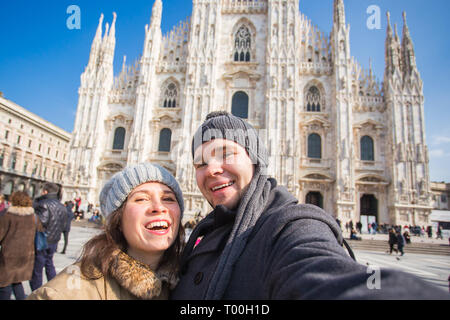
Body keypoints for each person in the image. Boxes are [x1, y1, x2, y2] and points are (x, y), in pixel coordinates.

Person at [171, 111, 446, 300]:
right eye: (200, 163)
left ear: (255, 161)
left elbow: (318, 269)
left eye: (225, 154)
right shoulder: (204, 231)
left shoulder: (290, 225)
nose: (212, 170)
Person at [27, 163, 184, 300]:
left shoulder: (186, 282)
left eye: (169, 199)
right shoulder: (65, 293)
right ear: (118, 220)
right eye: (141, 199)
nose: (159, 207)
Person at [29, 183, 68, 291]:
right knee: (49, 264)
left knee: (37, 268)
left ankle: (36, 292)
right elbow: (64, 225)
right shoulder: (62, 206)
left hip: (42, 240)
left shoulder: (43, 204)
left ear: (45, 192)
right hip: (54, 240)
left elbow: (42, 221)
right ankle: (55, 289)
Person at [0, 191, 37, 300]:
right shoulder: (33, 216)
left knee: (4, 283)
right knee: (17, 280)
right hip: (26, 254)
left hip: (9, 254)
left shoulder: (8, 215)